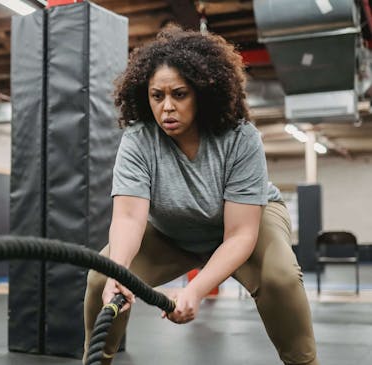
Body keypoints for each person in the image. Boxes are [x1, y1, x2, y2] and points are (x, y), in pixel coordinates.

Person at [83, 26, 317, 365]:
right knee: (102, 278)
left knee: (280, 277)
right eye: (157, 96)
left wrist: (195, 290)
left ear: (203, 92)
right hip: (170, 232)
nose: (166, 108)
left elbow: (241, 234)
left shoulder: (241, 138)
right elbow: (129, 217)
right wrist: (119, 273)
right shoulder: (138, 139)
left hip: (238, 227)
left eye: (179, 94)